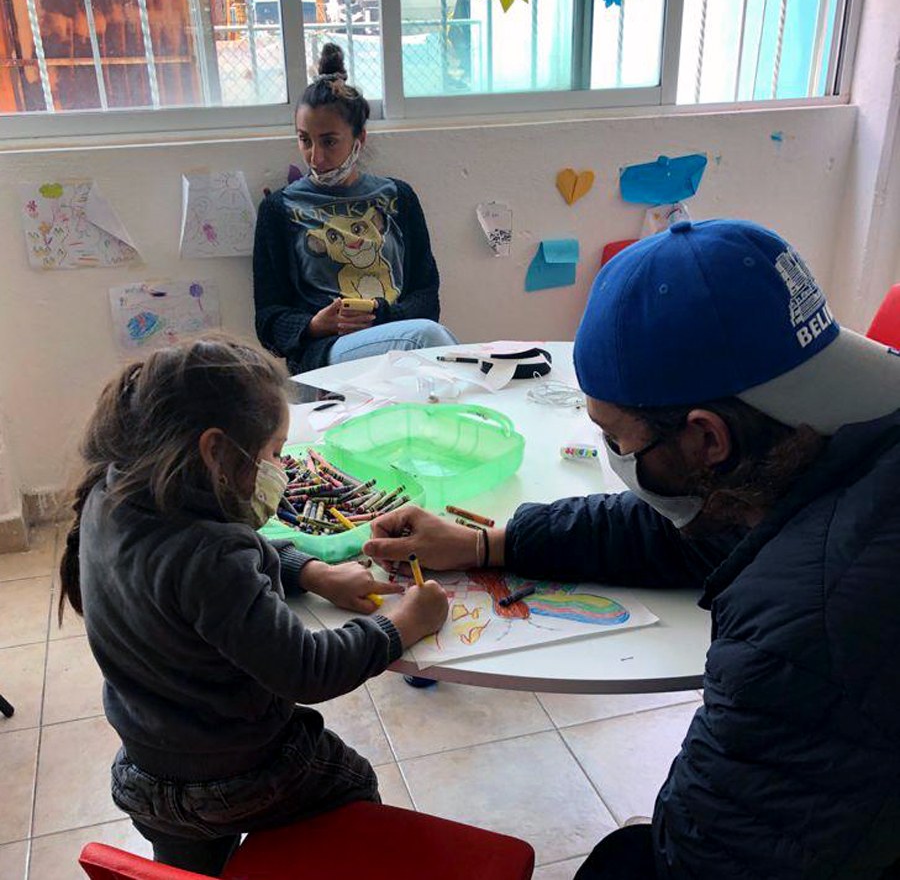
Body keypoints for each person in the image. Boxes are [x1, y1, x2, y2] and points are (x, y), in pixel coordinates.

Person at [363, 219, 900, 879]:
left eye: (615, 437)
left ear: (708, 440)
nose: (614, 459)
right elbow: (698, 525)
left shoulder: (803, 628)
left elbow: (704, 858)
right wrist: (483, 542)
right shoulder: (818, 442)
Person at [58, 335, 449, 876]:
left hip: (145, 774)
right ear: (215, 451)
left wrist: (308, 571)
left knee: (192, 867)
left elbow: (217, 566)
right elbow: (307, 671)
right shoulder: (209, 554)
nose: (281, 465)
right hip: (239, 777)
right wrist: (402, 623)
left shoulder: (113, 493)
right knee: (351, 781)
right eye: (272, 452)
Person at [253, 43, 458, 376]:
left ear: (359, 138)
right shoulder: (280, 208)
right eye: (305, 140)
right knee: (428, 339)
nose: (315, 157)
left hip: (400, 334)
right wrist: (315, 325)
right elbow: (268, 319)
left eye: (329, 141)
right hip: (328, 352)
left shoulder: (398, 197)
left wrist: (380, 315)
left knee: (429, 339)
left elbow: (427, 297)